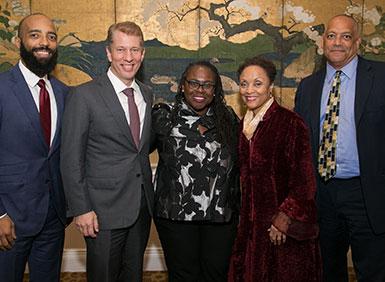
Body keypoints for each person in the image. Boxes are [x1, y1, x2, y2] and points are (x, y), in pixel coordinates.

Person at [60, 21, 154, 282]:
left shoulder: (146, 93)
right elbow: (71, 158)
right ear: (108, 52)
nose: (129, 57)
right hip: (102, 212)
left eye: (135, 50)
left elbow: (138, 149)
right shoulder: (84, 96)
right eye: (121, 49)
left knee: (133, 275)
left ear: (143, 54)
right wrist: (81, 208)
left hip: (141, 207)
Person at [295, 14, 385, 282]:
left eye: (345, 36)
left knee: (373, 272)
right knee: (326, 271)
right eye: (331, 36)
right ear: (323, 42)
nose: (337, 43)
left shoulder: (381, 77)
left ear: (357, 42)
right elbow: (299, 144)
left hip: (367, 194)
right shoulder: (308, 87)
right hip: (322, 196)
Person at [228, 56, 321, 282]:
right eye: (244, 83)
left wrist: (284, 218)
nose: (249, 90)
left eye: (257, 84)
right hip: (251, 231)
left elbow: (304, 181)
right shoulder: (243, 126)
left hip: (281, 232)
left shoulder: (290, 123)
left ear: (271, 88)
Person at [152, 61, 240, 282]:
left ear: (215, 90)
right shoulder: (163, 117)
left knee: (216, 275)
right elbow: (133, 151)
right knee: (183, 276)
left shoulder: (228, 118)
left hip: (220, 218)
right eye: (194, 83)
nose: (200, 90)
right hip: (175, 217)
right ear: (182, 85)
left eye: (207, 85)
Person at [0, 13, 69, 282]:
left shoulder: (63, 93)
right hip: (10, 219)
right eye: (35, 35)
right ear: (20, 41)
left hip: (53, 217)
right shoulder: (3, 88)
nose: (45, 42)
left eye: (51, 37)